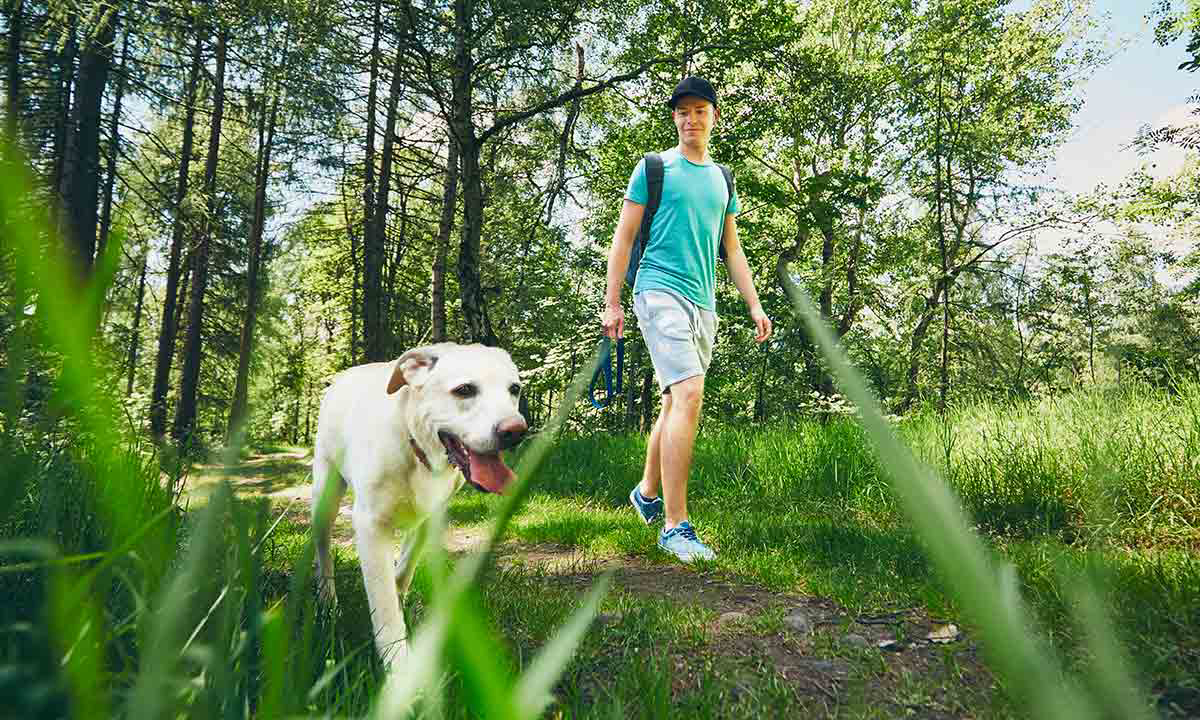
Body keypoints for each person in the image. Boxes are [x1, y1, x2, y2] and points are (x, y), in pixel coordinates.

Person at [600, 76, 772, 563]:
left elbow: (731, 248)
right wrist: (613, 302)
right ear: (674, 119)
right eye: (682, 112)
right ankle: (676, 526)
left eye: (699, 110)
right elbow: (624, 237)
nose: (690, 119)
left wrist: (754, 304)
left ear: (714, 116)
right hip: (657, 290)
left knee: (675, 398)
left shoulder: (722, 179)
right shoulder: (654, 168)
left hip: (703, 302)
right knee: (690, 392)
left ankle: (647, 494)